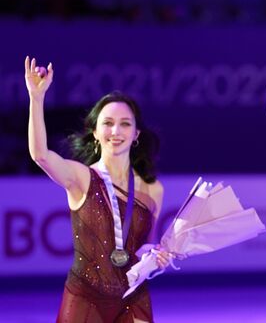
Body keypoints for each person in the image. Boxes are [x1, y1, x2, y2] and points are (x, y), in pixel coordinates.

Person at [25, 57, 170, 323]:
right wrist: (37, 98)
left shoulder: (153, 189)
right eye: (107, 123)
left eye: (125, 123)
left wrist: (154, 255)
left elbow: (144, 245)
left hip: (133, 295)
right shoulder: (81, 177)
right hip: (84, 296)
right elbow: (41, 156)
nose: (116, 131)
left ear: (136, 134)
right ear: (95, 132)